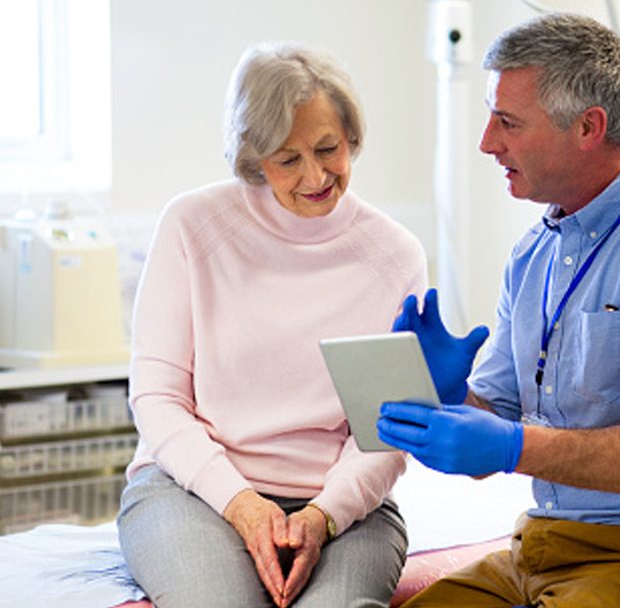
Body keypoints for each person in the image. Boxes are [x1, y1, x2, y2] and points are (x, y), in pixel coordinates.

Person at [377, 13, 620, 608]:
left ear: (588, 127)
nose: (486, 142)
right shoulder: (533, 254)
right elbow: (492, 426)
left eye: (508, 122)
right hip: (542, 546)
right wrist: (449, 397)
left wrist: (512, 447)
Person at [117, 42, 428, 608]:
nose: (316, 176)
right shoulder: (193, 226)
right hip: (195, 492)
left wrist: (323, 516)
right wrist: (241, 503)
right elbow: (157, 397)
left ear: (350, 137)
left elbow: (386, 430)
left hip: (343, 509)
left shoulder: (394, 255)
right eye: (287, 160)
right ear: (253, 156)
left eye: (329, 149)